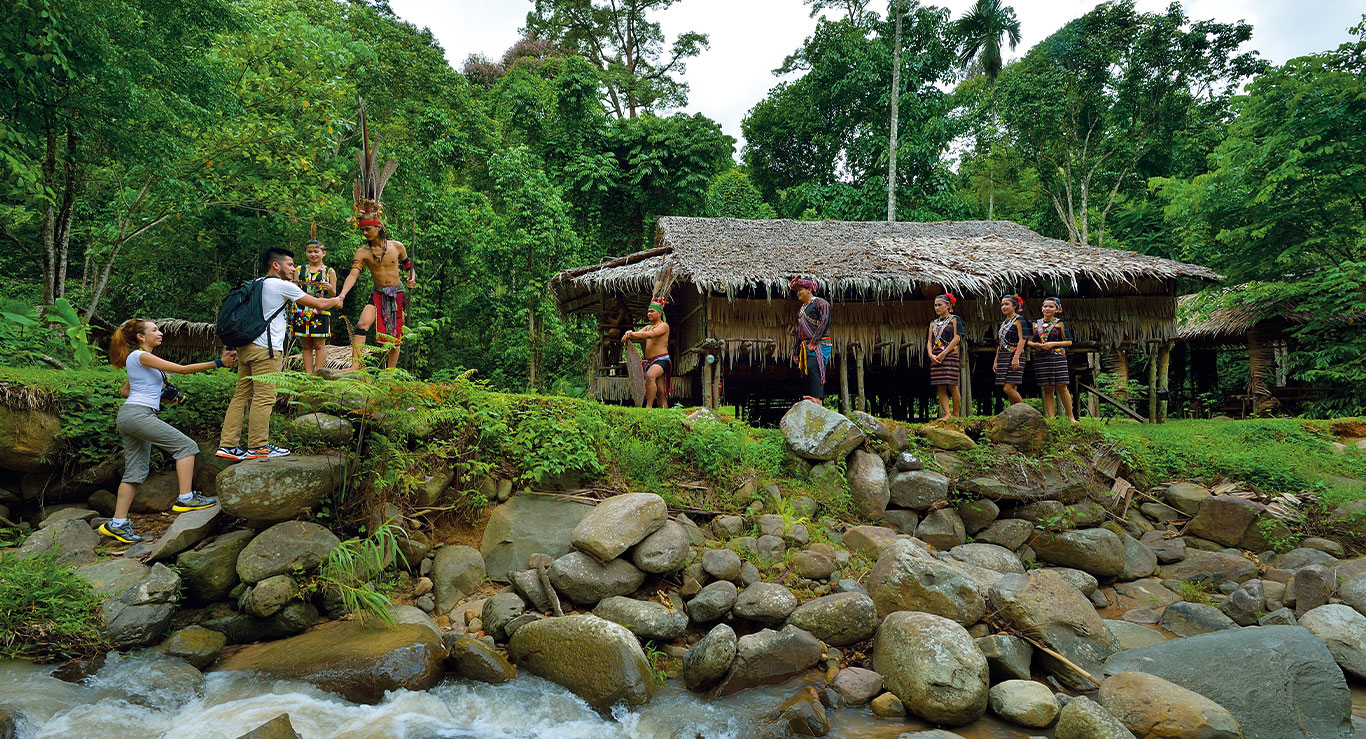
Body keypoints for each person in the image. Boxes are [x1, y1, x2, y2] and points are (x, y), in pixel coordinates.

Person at [100, 320, 237, 543]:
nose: (160, 332)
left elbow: (126, 391)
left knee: (135, 472)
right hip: (138, 415)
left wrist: (163, 397)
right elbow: (182, 369)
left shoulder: (139, 360)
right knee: (186, 447)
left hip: (131, 415)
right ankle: (186, 498)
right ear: (141, 337)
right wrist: (219, 362)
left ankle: (117, 523)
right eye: (154, 330)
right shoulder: (140, 356)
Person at [217, 247, 343, 461]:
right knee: (264, 397)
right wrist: (336, 300)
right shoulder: (282, 285)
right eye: (290, 265)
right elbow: (320, 304)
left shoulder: (256, 283)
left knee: (241, 396)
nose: (294, 269)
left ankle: (228, 445)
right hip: (266, 351)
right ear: (276, 265)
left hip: (246, 347)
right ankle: (258, 446)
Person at [338, 221, 414, 370]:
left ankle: (390, 373)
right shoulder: (362, 252)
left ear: (378, 227)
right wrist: (342, 294)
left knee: (393, 335)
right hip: (377, 293)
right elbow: (353, 274)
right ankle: (355, 366)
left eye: (367, 229)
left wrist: (412, 278)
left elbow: (409, 267)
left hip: (396, 294)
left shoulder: (397, 246)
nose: (365, 233)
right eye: (362, 230)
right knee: (362, 324)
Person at [291, 239, 337, 374]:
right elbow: (293, 288)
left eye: (316, 251)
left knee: (319, 344)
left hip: (320, 310)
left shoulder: (329, 271)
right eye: (309, 252)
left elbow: (334, 293)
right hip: (301, 309)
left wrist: (329, 288)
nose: (313, 255)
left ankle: (319, 373)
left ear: (323, 253)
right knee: (306, 345)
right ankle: (308, 374)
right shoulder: (299, 270)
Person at [1028, 296, 1078, 423]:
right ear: (1042, 308)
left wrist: (1053, 344)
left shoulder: (1060, 323)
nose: (1047, 308)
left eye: (1051, 306)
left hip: (1058, 356)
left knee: (1062, 386)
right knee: (1048, 388)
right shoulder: (1035, 324)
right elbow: (1028, 341)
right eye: (1045, 306)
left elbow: (1069, 342)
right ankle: (1051, 418)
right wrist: (1036, 345)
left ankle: (1071, 417)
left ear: (1057, 309)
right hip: (1041, 357)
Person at [622, 299, 671, 408]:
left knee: (650, 375)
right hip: (651, 361)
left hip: (662, 360)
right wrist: (627, 335)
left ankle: (648, 407)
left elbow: (650, 335)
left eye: (652, 311)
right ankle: (665, 412)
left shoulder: (664, 326)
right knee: (660, 391)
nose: (649, 314)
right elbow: (638, 334)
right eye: (648, 311)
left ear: (659, 313)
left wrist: (632, 334)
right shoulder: (648, 327)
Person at [791, 277, 832, 405]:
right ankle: (813, 396)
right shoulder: (802, 310)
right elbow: (799, 332)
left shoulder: (821, 303)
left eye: (800, 290)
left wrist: (814, 341)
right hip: (806, 345)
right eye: (797, 291)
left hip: (820, 343)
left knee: (815, 366)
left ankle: (818, 399)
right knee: (807, 369)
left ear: (809, 290)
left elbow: (825, 321)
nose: (798, 293)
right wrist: (796, 351)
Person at [927, 293, 965, 420]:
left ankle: (955, 413)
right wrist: (930, 354)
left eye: (939, 305)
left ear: (948, 305)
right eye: (935, 305)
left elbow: (957, 338)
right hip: (935, 356)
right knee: (940, 385)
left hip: (950, 355)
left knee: (952, 384)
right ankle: (947, 413)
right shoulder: (933, 323)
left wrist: (944, 353)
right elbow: (929, 341)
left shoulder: (954, 319)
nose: (937, 307)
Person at [994, 294, 1028, 405]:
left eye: (1007, 304)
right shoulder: (1003, 324)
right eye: (1002, 305)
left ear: (1015, 306)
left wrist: (1016, 357)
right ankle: (1015, 412)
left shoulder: (1019, 320)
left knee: (1007, 388)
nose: (1003, 307)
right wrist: (996, 360)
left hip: (1015, 355)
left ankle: (1025, 412)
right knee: (1011, 388)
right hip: (1003, 356)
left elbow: (1022, 339)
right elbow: (999, 344)